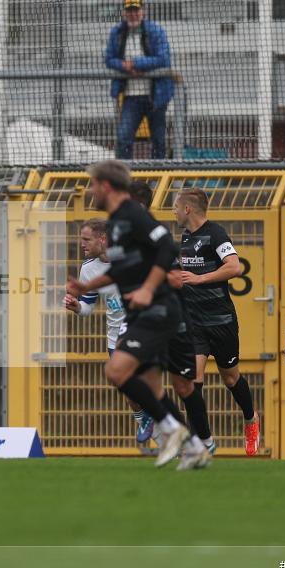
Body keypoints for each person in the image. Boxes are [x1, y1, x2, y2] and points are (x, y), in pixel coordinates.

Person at [66, 160, 196, 468]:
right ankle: (193, 448)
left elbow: (167, 247)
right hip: (145, 311)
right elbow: (122, 270)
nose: (90, 190)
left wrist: (149, 288)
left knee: (116, 372)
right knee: (152, 388)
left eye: (93, 184)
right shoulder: (117, 222)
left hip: (158, 308)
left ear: (106, 186)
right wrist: (87, 285)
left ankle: (173, 430)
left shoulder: (131, 215)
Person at [130, 182, 215, 466]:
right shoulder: (127, 235)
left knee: (183, 386)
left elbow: (177, 278)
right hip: (147, 321)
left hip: (173, 320)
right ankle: (172, 433)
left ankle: (203, 442)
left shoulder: (158, 236)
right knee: (134, 376)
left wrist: (148, 280)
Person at [174, 188, 260, 456]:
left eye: (175, 206)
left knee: (231, 378)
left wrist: (200, 279)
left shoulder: (216, 233)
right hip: (194, 323)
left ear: (187, 209)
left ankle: (251, 419)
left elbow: (235, 267)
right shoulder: (185, 237)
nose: (173, 211)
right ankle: (202, 442)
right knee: (191, 383)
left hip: (221, 321)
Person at [64, 218, 155, 444]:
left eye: (86, 239)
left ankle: (173, 431)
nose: (82, 244)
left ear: (102, 239)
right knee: (125, 385)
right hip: (115, 336)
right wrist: (76, 307)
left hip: (143, 330)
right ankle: (143, 418)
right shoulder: (88, 269)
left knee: (144, 382)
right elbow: (87, 308)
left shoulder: (131, 258)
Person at [105, 0, 174, 160]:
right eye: (129, 11)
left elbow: (164, 59)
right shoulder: (118, 32)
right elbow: (109, 59)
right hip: (131, 97)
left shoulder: (155, 31)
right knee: (123, 137)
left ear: (143, 11)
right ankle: (125, 177)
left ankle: (156, 177)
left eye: (136, 10)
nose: (133, 14)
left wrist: (136, 63)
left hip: (156, 96)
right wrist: (123, 66)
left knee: (158, 140)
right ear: (124, 13)